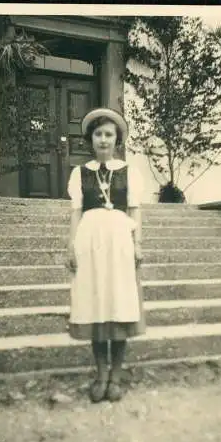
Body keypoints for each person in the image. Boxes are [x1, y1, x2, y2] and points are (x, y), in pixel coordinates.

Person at [66, 108, 145, 403]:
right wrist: (70, 246)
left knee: (119, 303)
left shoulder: (129, 172)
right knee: (95, 304)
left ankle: (116, 375)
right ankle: (100, 374)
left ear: (117, 139)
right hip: (90, 241)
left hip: (119, 242)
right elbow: (75, 213)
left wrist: (138, 244)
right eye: (98, 134)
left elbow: (135, 210)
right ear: (91, 139)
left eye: (108, 134)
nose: (103, 140)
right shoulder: (80, 173)